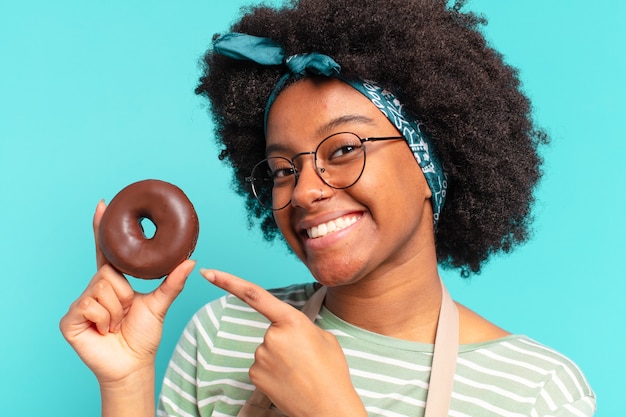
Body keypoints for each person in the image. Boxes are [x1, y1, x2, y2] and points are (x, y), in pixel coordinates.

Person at [60, 0, 596, 416]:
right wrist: (125, 382)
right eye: (282, 170)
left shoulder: (535, 391)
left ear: (432, 161)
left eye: (343, 150)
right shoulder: (223, 335)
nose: (304, 191)